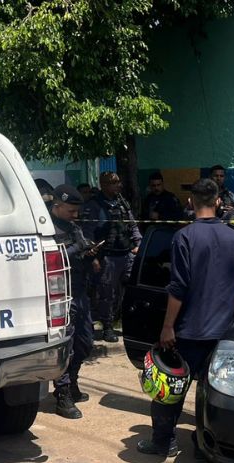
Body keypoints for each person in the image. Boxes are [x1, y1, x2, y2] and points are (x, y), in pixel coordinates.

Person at [137, 178, 234, 457]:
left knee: (169, 390)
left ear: (190, 202)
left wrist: (167, 327)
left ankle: (164, 442)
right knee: (213, 392)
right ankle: (205, 444)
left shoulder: (184, 237)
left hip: (188, 331)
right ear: (218, 202)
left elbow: (178, 288)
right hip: (223, 333)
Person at [49, 185, 99, 419]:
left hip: (80, 292)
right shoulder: (48, 228)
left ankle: (74, 381)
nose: (75, 215)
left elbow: (79, 250)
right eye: (71, 210)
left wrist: (89, 253)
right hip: (61, 295)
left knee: (85, 342)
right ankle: (63, 394)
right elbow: (53, 259)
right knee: (64, 345)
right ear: (57, 205)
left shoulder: (74, 227)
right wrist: (77, 247)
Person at [86, 171, 142, 343]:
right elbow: (87, 234)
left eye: (118, 182)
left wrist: (138, 244)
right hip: (107, 258)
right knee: (106, 294)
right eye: (114, 182)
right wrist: (93, 257)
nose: (118, 185)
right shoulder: (94, 206)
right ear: (103, 184)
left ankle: (129, 324)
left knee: (130, 291)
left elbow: (132, 225)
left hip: (126, 254)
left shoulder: (122, 203)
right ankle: (108, 327)